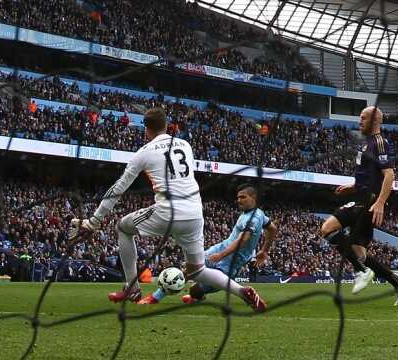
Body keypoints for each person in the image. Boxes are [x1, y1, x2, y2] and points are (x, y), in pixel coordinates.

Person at [68, 108, 266, 311]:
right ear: (167, 125)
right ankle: (243, 292)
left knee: (123, 228)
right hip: (195, 213)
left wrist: (94, 220)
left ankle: (132, 288)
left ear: (146, 129)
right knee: (197, 271)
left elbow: (118, 188)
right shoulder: (185, 145)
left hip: (168, 211)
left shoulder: (144, 152)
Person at [319, 106, 398, 306]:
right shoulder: (366, 144)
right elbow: (372, 177)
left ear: (374, 121)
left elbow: (389, 175)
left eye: (363, 118)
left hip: (367, 202)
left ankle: (361, 271)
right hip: (362, 196)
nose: (359, 122)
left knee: (327, 229)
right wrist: (352, 187)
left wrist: (380, 202)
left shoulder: (379, 142)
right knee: (359, 252)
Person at [139, 184, 278, 305]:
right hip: (220, 249)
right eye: (238, 197)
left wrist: (221, 256)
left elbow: (243, 240)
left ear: (253, 198)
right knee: (188, 267)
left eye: (243, 197)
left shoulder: (253, 218)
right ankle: (155, 297)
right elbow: (272, 229)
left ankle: (197, 296)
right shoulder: (258, 214)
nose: (239, 200)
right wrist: (264, 250)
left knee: (196, 290)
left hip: (230, 263)